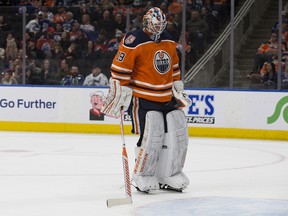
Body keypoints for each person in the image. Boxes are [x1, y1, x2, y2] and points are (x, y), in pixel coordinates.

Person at [101, 7, 191, 193]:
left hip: (167, 96)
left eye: (161, 25)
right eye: (155, 25)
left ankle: (169, 173)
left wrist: (176, 83)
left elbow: (173, 63)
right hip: (144, 97)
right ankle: (143, 174)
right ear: (147, 23)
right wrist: (121, 89)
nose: (158, 29)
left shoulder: (168, 39)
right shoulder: (134, 40)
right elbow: (119, 67)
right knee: (151, 135)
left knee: (174, 134)